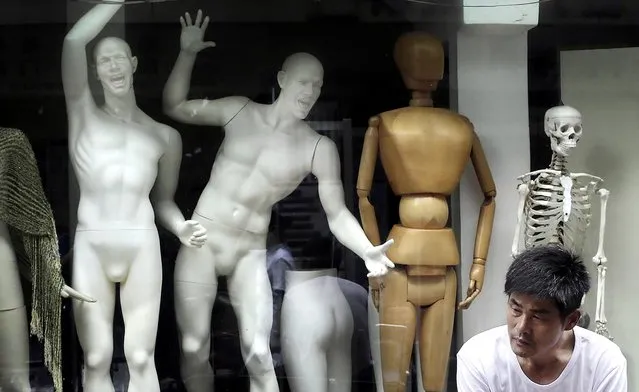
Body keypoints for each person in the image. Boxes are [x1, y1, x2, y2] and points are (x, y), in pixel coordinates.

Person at [163, 9, 394, 392]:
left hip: (249, 251)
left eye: (317, 85)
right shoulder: (239, 111)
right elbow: (174, 106)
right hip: (203, 240)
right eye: (303, 81)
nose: (310, 91)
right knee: (194, 347)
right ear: (283, 80)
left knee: (258, 352)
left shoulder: (317, 147)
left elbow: (336, 215)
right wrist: (187, 53)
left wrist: (367, 251)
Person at [61, 2, 206, 391]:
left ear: (134, 63)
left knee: (142, 358)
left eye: (119, 58)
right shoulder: (83, 115)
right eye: (104, 60)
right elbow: (74, 40)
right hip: (92, 244)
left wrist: (180, 227)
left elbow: (163, 201)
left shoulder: (164, 137)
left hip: (142, 245)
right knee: (95, 359)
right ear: (94, 71)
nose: (113, 66)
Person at [456, 244, 627, 391]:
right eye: (516, 309)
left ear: (571, 320)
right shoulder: (478, 357)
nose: (521, 327)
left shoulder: (604, 362)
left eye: (538, 316)